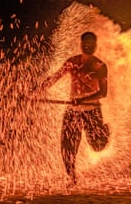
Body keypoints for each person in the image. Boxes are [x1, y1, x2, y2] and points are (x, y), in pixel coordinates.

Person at [32, 32, 109, 184]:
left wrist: (82, 99)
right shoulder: (72, 62)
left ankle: (105, 132)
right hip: (73, 111)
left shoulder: (100, 66)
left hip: (92, 111)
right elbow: (54, 77)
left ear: (95, 46)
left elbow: (103, 93)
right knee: (67, 144)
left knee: (98, 146)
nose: (88, 46)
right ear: (81, 44)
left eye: (91, 44)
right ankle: (71, 176)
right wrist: (35, 93)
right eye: (85, 43)